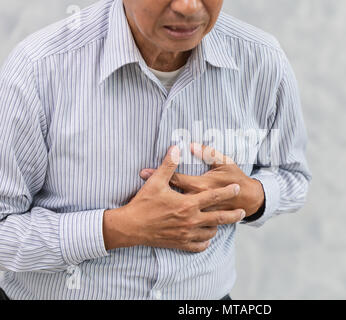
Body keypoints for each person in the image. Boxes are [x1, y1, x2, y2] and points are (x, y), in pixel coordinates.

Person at [0, 0, 312, 300]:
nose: (189, 7)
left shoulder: (262, 60)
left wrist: (253, 195)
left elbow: (292, 176)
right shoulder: (39, 68)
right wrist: (119, 228)